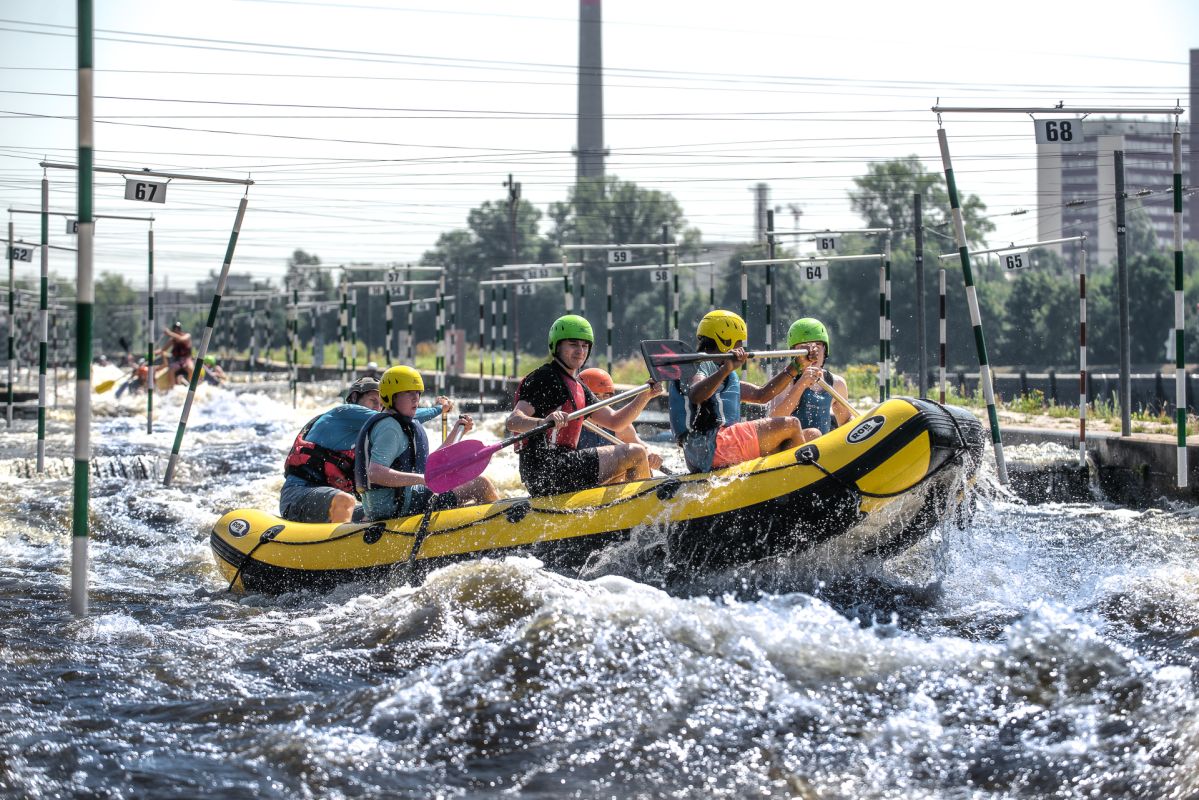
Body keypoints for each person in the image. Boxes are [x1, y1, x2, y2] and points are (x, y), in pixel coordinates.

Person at [506, 315, 661, 497]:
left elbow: (616, 422)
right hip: (546, 470)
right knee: (635, 453)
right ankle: (643, 507)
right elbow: (513, 421)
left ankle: (628, 507)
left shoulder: (579, 387)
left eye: (585, 346)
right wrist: (543, 422)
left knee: (623, 472)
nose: (580, 351)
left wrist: (645, 396)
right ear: (557, 346)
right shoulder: (544, 378)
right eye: (573, 344)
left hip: (566, 466)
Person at [668, 309, 805, 473]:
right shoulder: (698, 365)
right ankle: (802, 480)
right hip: (710, 446)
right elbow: (696, 395)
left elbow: (762, 395)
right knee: (791, 425)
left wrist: (796, 366)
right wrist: (725, 370)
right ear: (726, 341)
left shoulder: (721, 371)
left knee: (812, 434)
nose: (742, 347)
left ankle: (782, 480)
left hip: (717, 447)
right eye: (739, 342)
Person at [357, 366, 497, 520]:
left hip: (399, 501)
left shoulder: (399, 422)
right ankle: (501, 526)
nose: (415, 398)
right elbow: (375, 473)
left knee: (465, 496)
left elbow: (431, 463)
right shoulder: (390, 428)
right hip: (396, 506)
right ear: (391, 396)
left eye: (417, 392)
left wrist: (458, 432)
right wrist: (424, 479)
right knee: (481, 484)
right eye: (408, 392)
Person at [279, 376, 386, 524]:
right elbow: (395, 419)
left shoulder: (365, 442)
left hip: (331, 502)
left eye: (381, 405)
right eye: (373, 400)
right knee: (345, 500)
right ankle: (340, 538)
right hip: (297, 496)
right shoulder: (343, 413)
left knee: (380, 511)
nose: (377, 408)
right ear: (354, 398)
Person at [768, 318, 853, 441]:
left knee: (819, 434)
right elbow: (772, 423)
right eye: (804, 348)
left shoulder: (836, 383)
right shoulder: (786, 382)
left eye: (817, 345)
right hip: (789, 447)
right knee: (813, 434)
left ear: (825, 350)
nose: (812, 352)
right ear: (794, 353)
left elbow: (846, 422)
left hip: (820, 447)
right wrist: (801, 384)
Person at [577, 367, 664, 473]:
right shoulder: (572, 425)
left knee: (640, 459)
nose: (601, 402)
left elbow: (643, 448)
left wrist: (652, 455)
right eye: (595, 397)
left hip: (611, 478)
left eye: (606, 395)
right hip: (582, 475)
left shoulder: (623, 428)